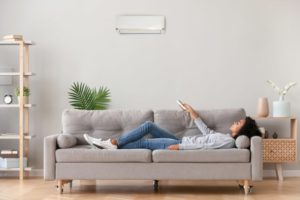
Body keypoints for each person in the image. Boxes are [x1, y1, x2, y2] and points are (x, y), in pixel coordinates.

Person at [84, 104, 261, 150]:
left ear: (242, 132)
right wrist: (192, 111)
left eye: (239, 123)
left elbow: (203, 146)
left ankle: (110, 144)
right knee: (148, 126)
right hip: (179, 140)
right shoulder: (225, 137)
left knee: (144, 144)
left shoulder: (227, 143)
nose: (235, 122)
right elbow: (207, 133)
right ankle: (112, 144)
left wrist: (180, 147)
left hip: (179, 144)